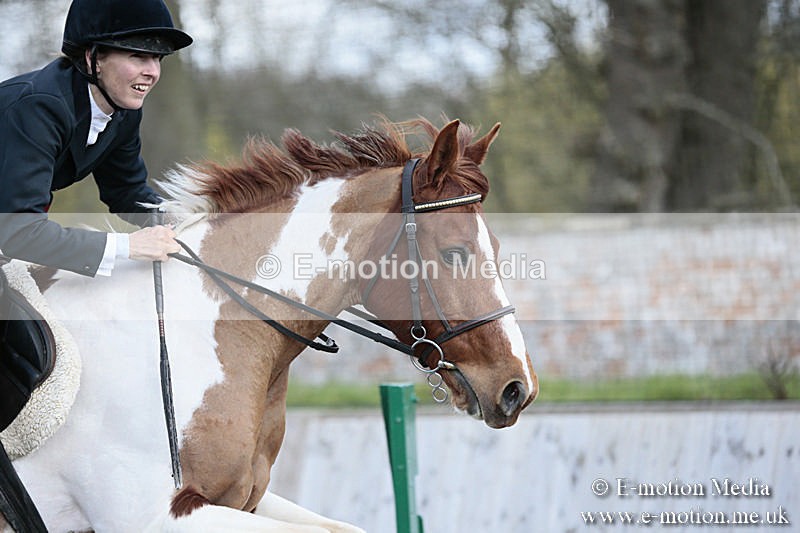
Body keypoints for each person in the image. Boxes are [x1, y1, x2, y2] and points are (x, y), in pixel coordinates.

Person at [0, 1, 192, 530]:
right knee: (20, 348)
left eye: (157, 58)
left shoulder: (119, 109)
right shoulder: (37, 105)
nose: (151, 71)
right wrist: (128, 250)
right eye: (136, 55)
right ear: (91, 57)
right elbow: (16, 229)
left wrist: (194, 229)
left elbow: (129, 192)